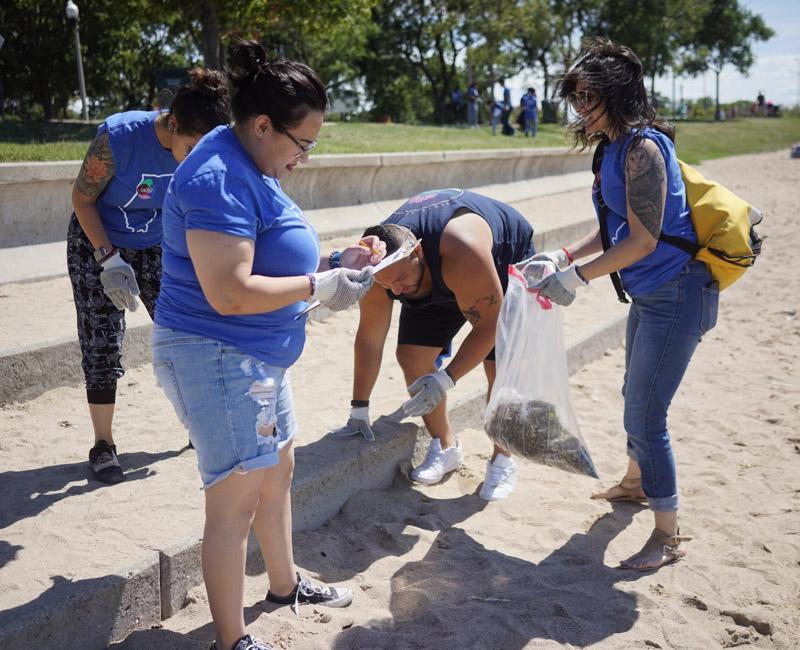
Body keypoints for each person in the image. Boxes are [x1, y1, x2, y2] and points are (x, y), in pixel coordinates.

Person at [151, 40, 384, 650]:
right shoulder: (216, 174)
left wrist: (339, 259)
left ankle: (284, 586)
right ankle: (231, 641)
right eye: (302, 142)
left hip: (255, 357)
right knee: (234, 501)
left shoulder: (253, 164)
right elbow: (229, 292)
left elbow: (274, 250)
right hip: (216, 355)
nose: (305, 156)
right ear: (262, 125)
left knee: (277, 470)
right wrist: (319, 283)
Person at [527, 38, 718, 570]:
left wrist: (576, 280)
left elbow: (643, 241)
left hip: (679, 293)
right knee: (634, 392)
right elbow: (614, 226)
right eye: (575, 98)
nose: (578, 108)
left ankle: (667, 535)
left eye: (587, 97)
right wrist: (562, 256)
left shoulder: (644, 149)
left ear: (616, 95)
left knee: (646, 412)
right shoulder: (609, 147)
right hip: (650, 295)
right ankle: (635, 484)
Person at [68, 68, 232, 484]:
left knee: (187, 331)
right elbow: (82, 199)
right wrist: (107, 258)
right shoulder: (118, 138)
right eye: (192, 146)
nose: (196, 157)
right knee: (103, 340)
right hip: (98, 239)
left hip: (158, 243)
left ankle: (200, 427)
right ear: (172, 122)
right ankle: (103, 445)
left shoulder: (205, 149)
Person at [329, 188, 536, 502]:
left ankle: (502, 457)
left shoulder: (462, 249)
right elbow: (370, 338)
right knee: (412, 357)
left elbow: (491, 325)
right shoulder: (379, 268)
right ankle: (446, 446)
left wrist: (445, 379)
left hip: (500, 260)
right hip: (436, 273)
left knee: (500, 364)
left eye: (400, 279)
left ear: (418, 253)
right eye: (389, 286)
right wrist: (359, 409)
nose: (397, 290)